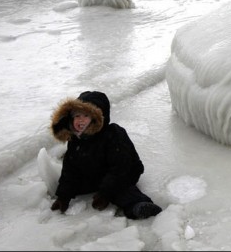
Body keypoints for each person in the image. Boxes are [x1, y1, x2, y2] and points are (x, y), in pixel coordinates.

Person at [49, 91, 162, 220]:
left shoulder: (113, 134)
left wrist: (105, 193)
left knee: (122, 190)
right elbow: (70, 169)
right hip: (95, 174)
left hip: (123, 172)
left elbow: (121, 168)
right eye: (77, 116)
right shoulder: (76, 140)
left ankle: (138, 206)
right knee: (74, 182)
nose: (80, 120)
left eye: (86, 115)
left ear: (97, 117)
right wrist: (64, 196)